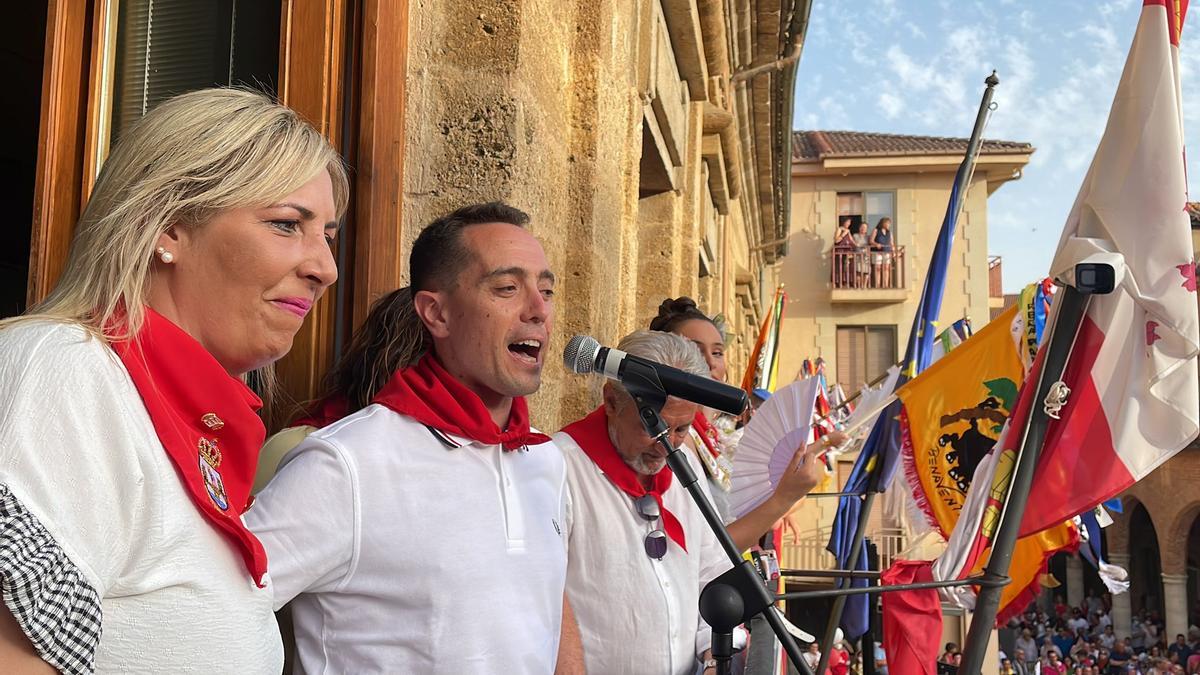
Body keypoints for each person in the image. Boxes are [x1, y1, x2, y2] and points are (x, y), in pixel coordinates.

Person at [0, 87, 346, 672]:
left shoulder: (189, 422)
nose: (325, 268)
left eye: (328, 236)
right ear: (168, 228)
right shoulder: (65, 365)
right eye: (287, 225)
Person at [247, 203, 582, 672]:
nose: (539, 311)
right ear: (436, 313)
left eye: (546, 290)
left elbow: (542, 603)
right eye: (507, 288)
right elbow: (217, 612)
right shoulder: (347, 463)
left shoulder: (543, 460)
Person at [553, 330, 833, 674]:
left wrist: (713, 655)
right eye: (651, 425)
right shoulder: (559, 467)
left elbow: (709, 577)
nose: (665, 445)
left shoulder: (684, 460)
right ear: (612, 401)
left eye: (681, 429)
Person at [868, 217, 894, 287]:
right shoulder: (876, 230)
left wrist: (893, 252)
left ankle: (885, 285)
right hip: (877, 252)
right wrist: (876, 244)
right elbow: (871, 241)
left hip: (887, 251)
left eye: (889, 223)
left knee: (886, 268)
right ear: (883, 223)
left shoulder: (889, 232)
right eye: (888, 223)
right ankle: (878, 285)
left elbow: (891, 243)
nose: (889, 225)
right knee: (878, 268)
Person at [852, 221, 871, 288]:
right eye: (862, 227)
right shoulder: (855, 235)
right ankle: (859, 286)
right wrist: (859, 246)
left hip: (866, 256)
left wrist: (865, 248)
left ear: (867, 229)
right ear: (859, 228)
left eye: (865, 227)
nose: (863, 228)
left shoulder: (868, 237)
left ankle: (865, 285)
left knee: (866, 271)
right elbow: (853, 244)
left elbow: (870, 245)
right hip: (858, 255)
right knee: (858, 271)